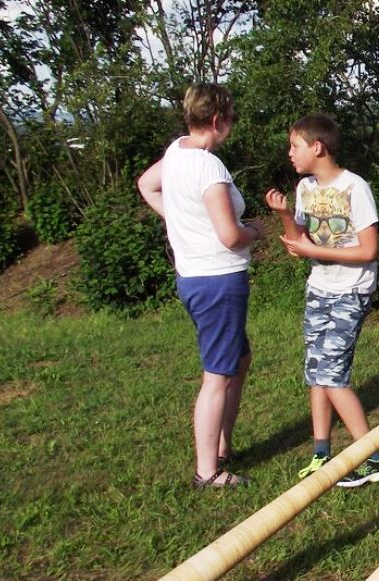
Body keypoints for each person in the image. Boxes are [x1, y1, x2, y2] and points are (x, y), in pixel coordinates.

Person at [137, 83, 263, 489]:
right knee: (217, 375)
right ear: (216, 120)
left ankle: (222, 448)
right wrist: (254, 231)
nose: (232, 125)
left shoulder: (177, 152)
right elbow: (229, 235)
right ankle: (208, 472)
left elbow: (146, 184)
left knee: (238, 360)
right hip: (218, 280)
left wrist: (176, 220)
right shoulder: (210, 168)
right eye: (230, 118)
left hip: (194, 278)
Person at [265, 114, 379, 488]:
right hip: (319, 286)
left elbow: (369, 250)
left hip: (351, 289)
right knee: (315, 368)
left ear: (317, 147)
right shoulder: (304, 188)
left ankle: (373, 459)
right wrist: (287, 217)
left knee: (333, 375)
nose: (290, 153)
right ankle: (322, 453)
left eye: (295, 145)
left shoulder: (356, 188)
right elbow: (298, 247)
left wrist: (313, 249)